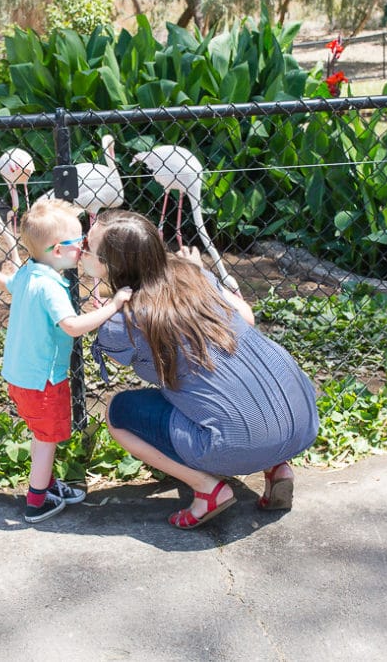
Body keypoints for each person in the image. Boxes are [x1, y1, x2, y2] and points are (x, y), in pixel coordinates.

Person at [83, 210, 318, 529]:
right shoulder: (196, 275)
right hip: (301, 420)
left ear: (111, 266)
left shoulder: (120, 324)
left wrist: (101, 312)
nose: (80, 250)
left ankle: (208, 489)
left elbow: (127, 354)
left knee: (118, 412)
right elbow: (246, 318)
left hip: (241, 442)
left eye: (87, 246)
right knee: (229, 376)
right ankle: (278, 467)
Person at [0, 196, 132, 523]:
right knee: (46, 440)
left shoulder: (30, 270)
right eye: (80, 242)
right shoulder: (52, 288)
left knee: (41, 436)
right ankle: (36, 501)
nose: (85, 247)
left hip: (19, 377)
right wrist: (113, 306)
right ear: (58, 251)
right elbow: (72, 327)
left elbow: (10, 285)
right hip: (44, 381)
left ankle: (43, 483)